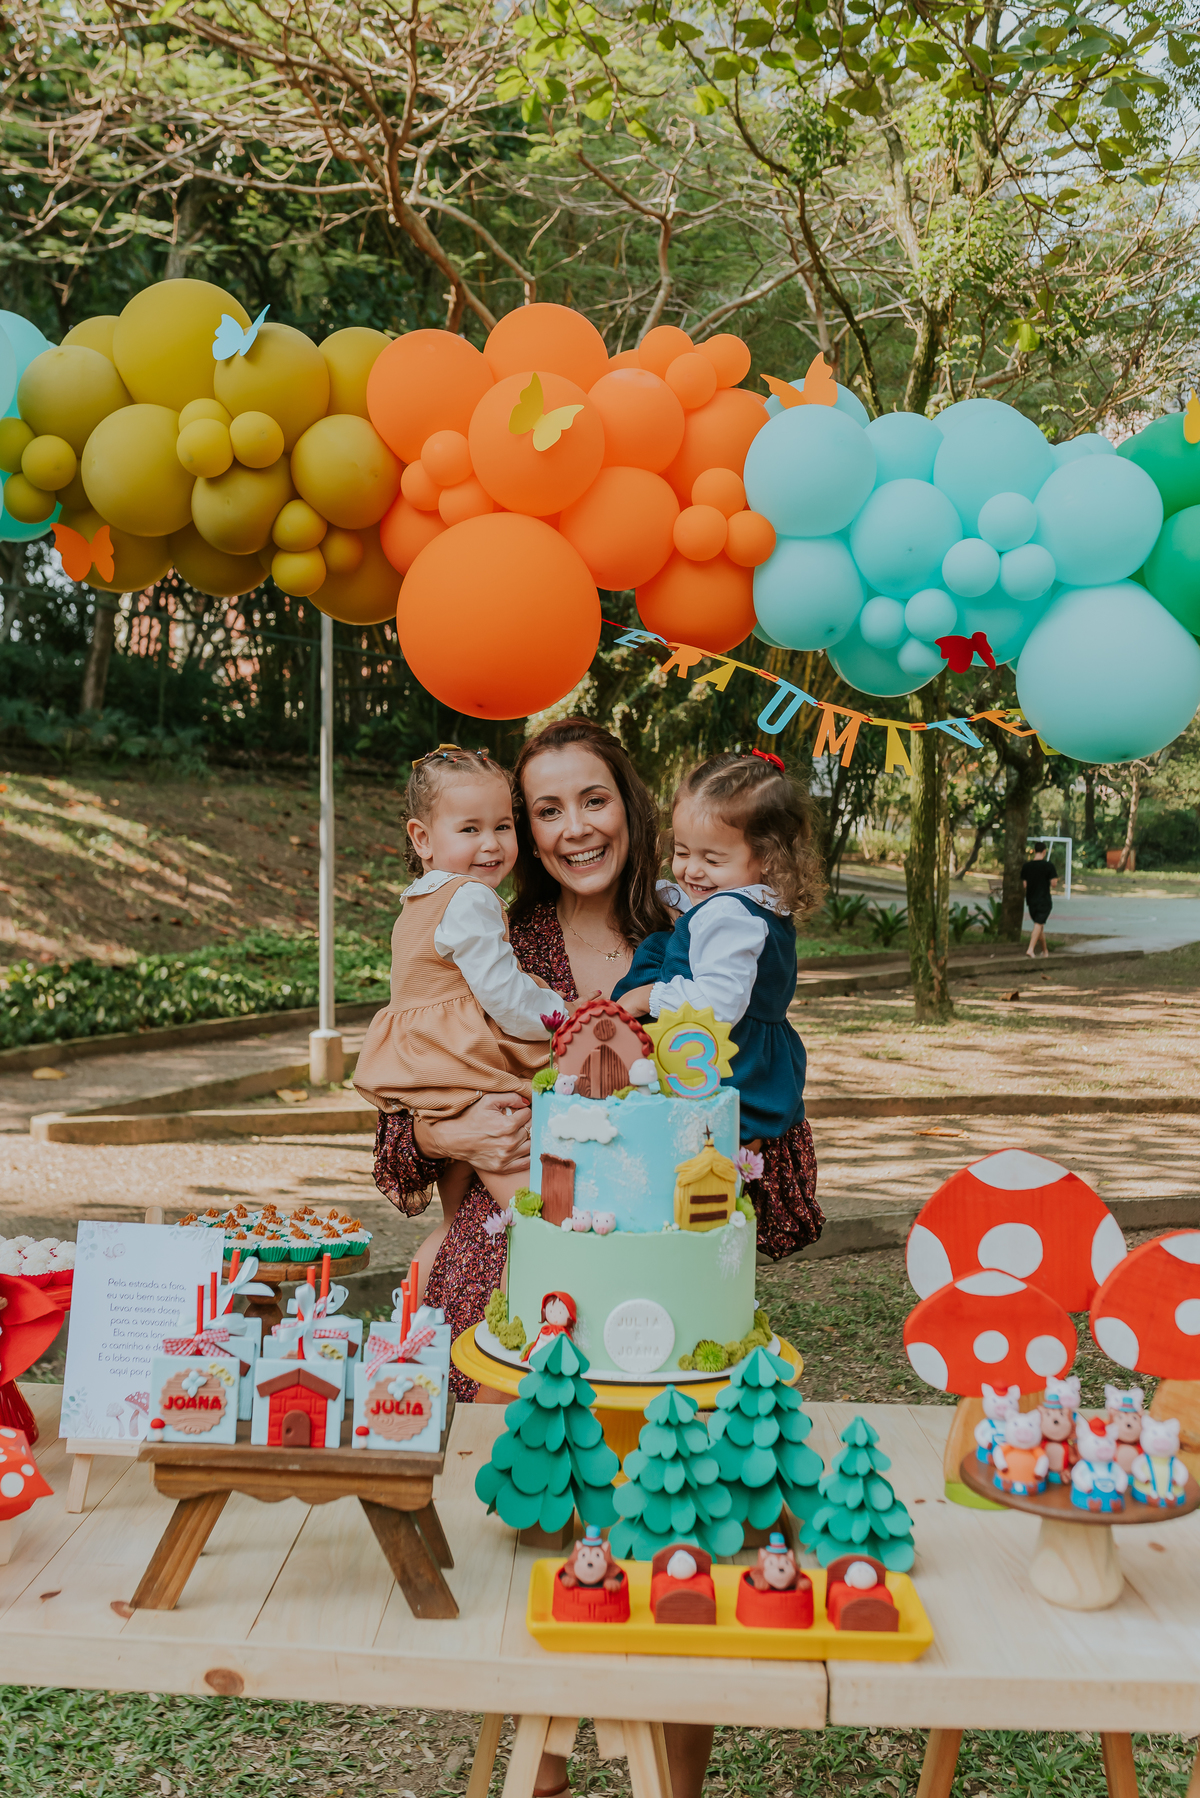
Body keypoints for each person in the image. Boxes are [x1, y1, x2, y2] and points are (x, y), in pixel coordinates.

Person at [354, 744, 571, 1295]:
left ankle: (413, 1325)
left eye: (502, 825)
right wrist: (560, 1016)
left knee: (455, 1223)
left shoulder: (419, 900)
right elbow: (504, 995)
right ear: (422, 839)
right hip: (467, 1070)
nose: (492, 844)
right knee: (535, 1210)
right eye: (469, 829)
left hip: (430, 1073)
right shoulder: (470, 898)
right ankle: (551, 1281)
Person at [613, 748, 826, 1252]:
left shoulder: (727, 916)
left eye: (713, 859)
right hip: (760, 1063)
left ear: (767, 858)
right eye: (683, 851)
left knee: (700, 1181)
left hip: (732, 1066)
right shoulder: (750, 905)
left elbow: (718, 1004)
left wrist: (651, 994)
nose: (691, 870)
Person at [1021, 840, 1058, 958]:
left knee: (1039, 925)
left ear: (1034, 851)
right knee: (1039, 924)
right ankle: (1030, 949)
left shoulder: (1026, 867)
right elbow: (1054, 884)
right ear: (1044, 851)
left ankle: (1045, 951)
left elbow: (1025, 885)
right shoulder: (1049, 866)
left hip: (1031, 900)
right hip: (1044, 900)